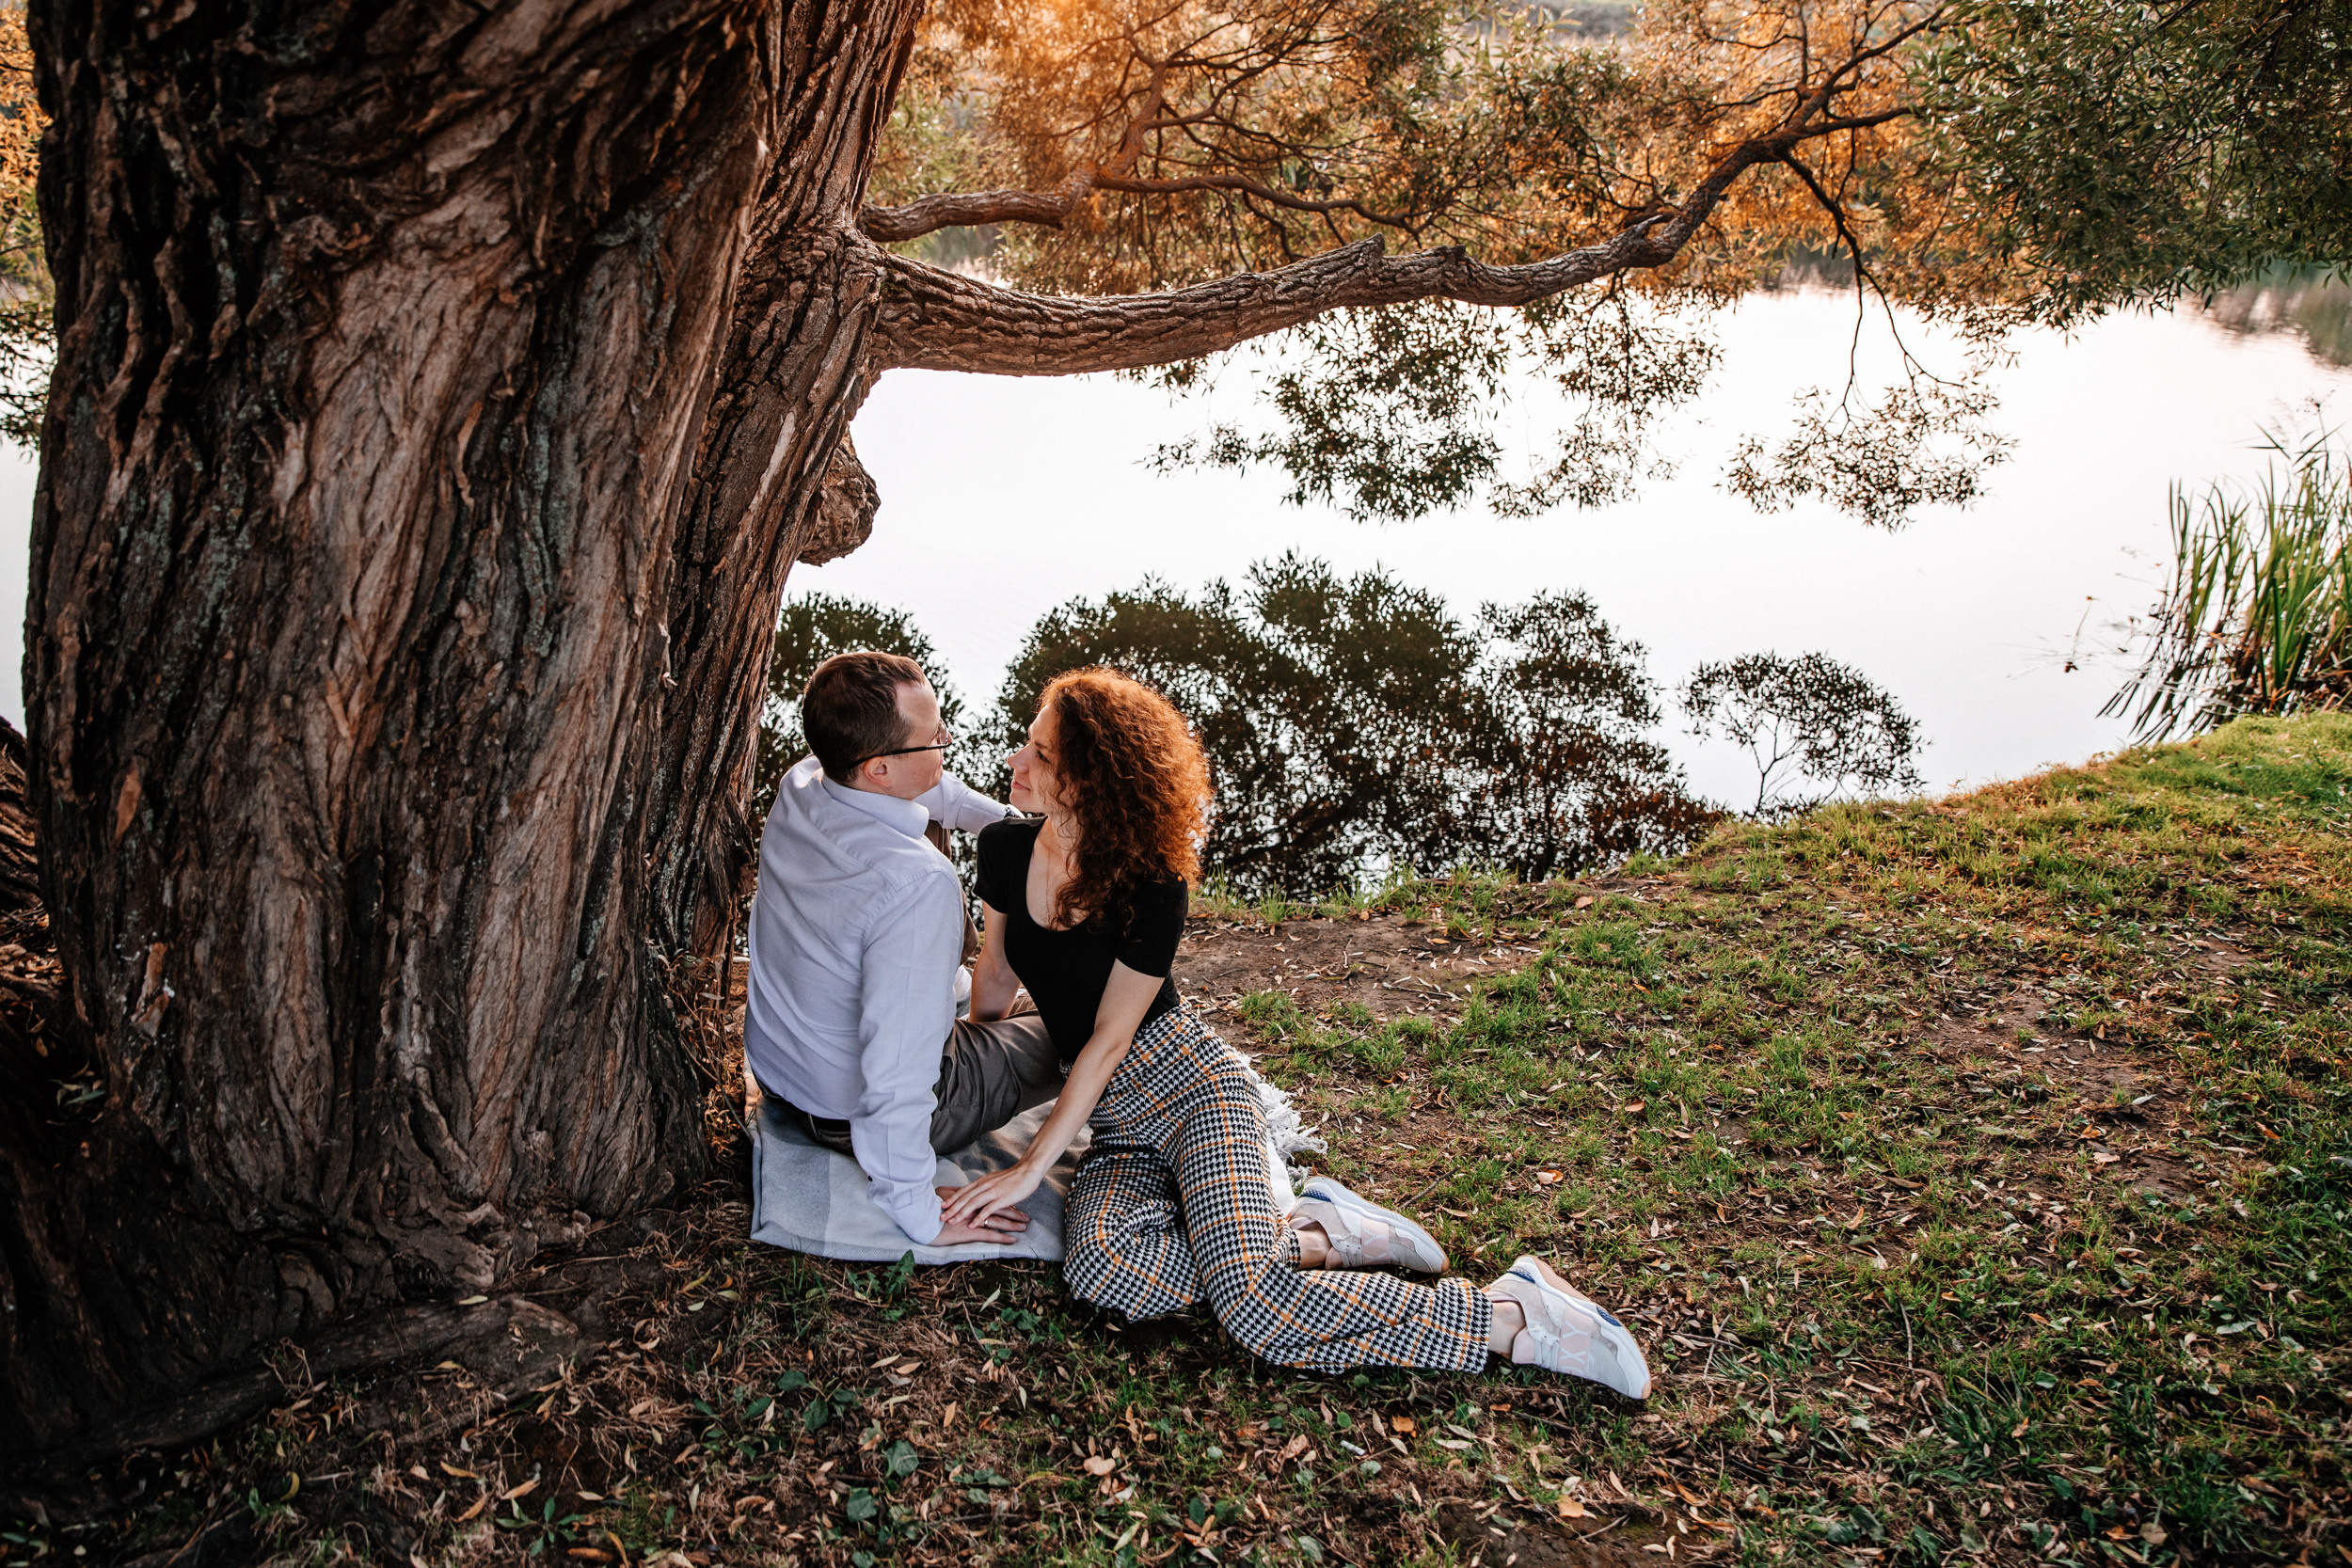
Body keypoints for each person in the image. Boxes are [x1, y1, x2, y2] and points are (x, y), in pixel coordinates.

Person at [941, 667, 1653, 1394]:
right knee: (1106, 1274)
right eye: (1026, 745)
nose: (1014, 761)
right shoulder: (1003, 848)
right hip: (1117, 1126)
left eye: (1041, 755)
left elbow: (1110, 1040)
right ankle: (1318, 1234)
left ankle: (1510, 1313)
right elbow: (995, 976)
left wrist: (1032, 1166)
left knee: (1255, 1308)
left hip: (1194, 1094)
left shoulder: (1152, 884)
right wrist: (974, 1092)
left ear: (1091, 781)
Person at [744, 650, 1066, 1249]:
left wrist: (1024, 833)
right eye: (935, 739)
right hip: (849, 1114)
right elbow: (896, 1079)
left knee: (932, 828)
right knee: (1080, 1031)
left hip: (786, 1073)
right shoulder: (915, 886)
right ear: (879, 770)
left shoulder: (806, 780)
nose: (947, 746)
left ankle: (960, 998)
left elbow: (940, 793)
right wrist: (919, 1212)